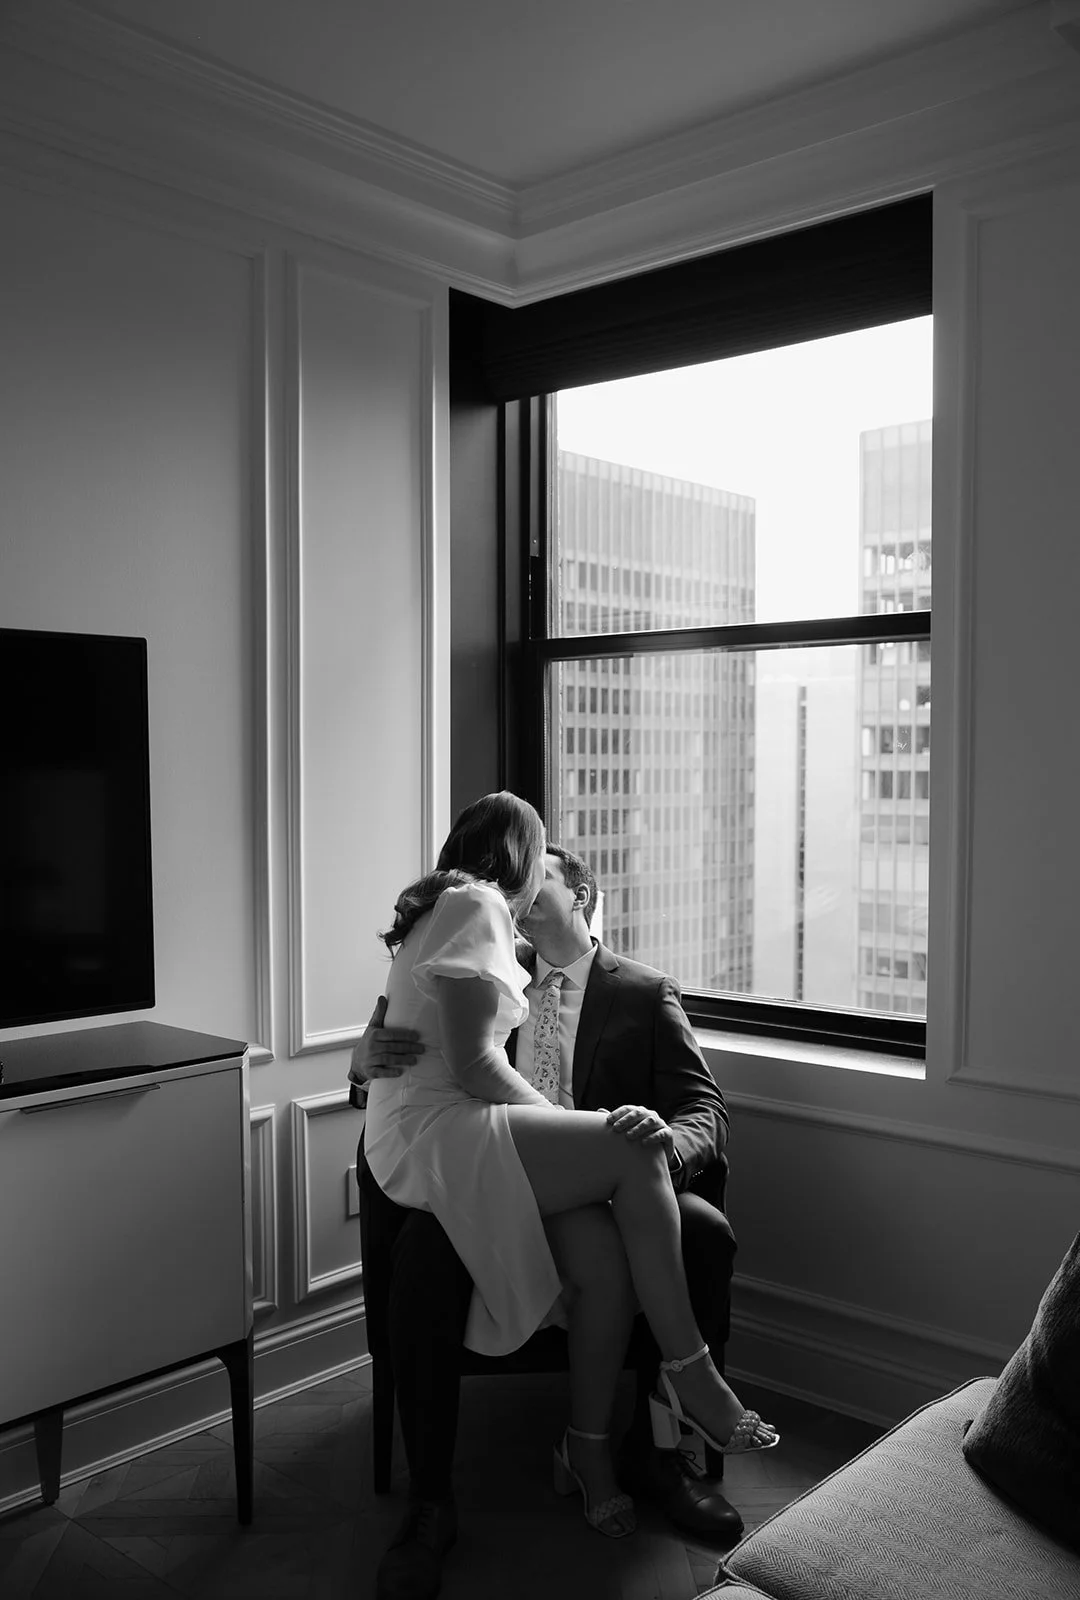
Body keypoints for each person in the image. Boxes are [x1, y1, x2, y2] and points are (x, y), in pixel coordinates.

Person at [357, 793, 776, 1596]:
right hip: (474, 1142)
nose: (531, 894)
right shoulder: (474, 914)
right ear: (516, 863)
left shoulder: (639, 989)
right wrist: (373, 1057)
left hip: (535, 1161)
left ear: (577, 895)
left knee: (615, 1245)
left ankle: (590, 1449)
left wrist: (661, 1139)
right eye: (534, 864)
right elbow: (438, 1061)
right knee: (613, 1157)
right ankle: (689, 1376)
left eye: (552, 877)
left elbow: (704, 1108)